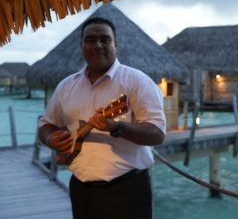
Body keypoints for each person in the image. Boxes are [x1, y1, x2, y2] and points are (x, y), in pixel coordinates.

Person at [38, 17, 166, 219]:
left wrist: (117, 127)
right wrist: (49, 139)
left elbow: (157, 134)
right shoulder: (66, 86)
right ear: (81, 45)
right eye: (90, 40)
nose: (98, 45)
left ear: (116, 45)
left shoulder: (137, 82)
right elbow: (46, 124)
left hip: (126, 190)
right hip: (80, 189)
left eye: (105, 40)